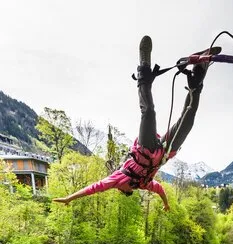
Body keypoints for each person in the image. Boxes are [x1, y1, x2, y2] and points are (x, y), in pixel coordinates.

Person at [53, 35, 217, 211]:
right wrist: (166, 203)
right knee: (188, 121)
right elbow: (160, 189)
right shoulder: (143, 185)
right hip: (163, 151)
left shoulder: (117, 179)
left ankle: (144, 66)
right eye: (129, 191)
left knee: (148, 112)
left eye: (126, 191)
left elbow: (95, 188)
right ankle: (198, 75)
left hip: (144, 147)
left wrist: (70, 197)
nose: (128, 190)